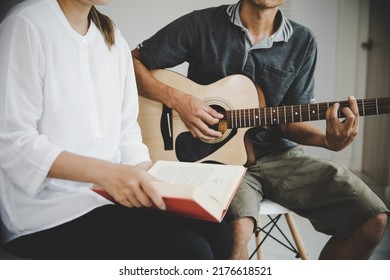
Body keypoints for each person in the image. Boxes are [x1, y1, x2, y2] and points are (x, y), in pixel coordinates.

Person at [131, 0, 389, 259]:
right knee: (237, 236)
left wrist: (327, 141)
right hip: (218, 161)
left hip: (283, 158)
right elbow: (132, 63)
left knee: (372, 218)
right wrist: (178, 99)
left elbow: (289, 120)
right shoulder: (201, 24)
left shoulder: (303, 41)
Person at [0, 0, 233, 260]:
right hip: (47, 213)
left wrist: (152, 180)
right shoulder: (26, 25)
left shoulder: (111, 36)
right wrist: (108, 174)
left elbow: (126, 130)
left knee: (219, 233)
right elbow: (12, 143)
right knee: (191, 252)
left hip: (107, 198)